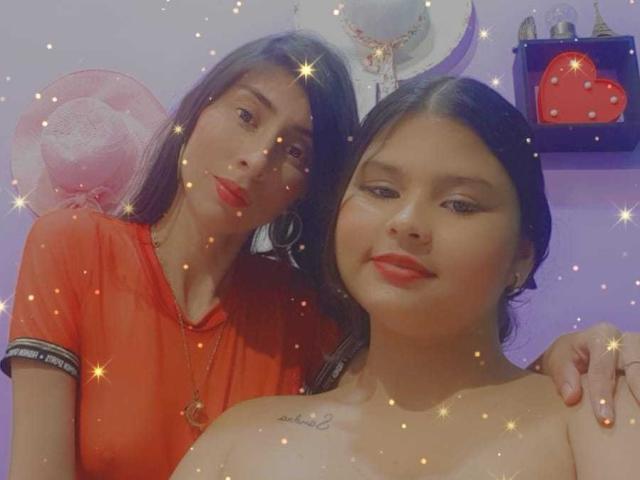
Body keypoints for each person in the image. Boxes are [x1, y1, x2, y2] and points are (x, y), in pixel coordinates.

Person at [1, 32, 636, 479]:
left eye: (297, 151)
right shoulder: (76, 244)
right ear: (197, 111)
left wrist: (566, 362)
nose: (256, 159)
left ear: (312, 189)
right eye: (245, 115)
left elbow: (430, 377)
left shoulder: (298, 304)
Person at [171, 76, 640, 480]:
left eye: (460, 204)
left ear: (522, 255)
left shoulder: (597, 413)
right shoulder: (241, 436)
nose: (406, 222)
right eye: (381, 190)